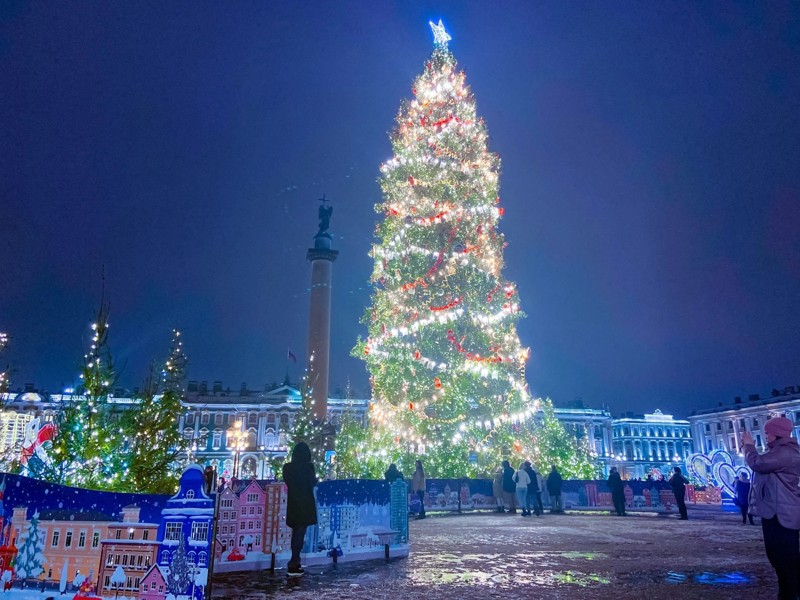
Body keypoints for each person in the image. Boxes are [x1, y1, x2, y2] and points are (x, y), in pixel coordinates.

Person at [742, 416, 800, 600]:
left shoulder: (785, 452)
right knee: (778, 557)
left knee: (784, 558)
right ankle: (788, 593)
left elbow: (757, 464)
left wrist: (749, 446)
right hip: (776, 511)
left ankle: (790, 594)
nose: (765, 436)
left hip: (783, 514)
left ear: (777, 433)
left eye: (768, 432)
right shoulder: (779, 451)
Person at [282, 442, 318, 577]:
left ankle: (295, 562)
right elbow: (312, 482)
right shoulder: (308, 467)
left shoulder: (288, 468)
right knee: (300, 533)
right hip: (305, 504)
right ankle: (294, 562)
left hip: (293, 504)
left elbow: (288, 481)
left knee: (296, 532)